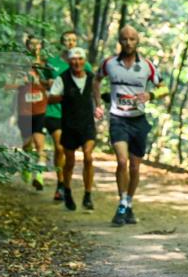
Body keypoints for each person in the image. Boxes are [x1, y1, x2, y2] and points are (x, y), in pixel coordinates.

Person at [94, 26, 162, 226]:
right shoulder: (110, 64)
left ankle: (129, 203)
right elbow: (96, 81)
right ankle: (122, 203)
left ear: (137, 41)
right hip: (118, 119)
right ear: (119, 41)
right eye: (125, 39)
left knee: (134, 166)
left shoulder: (147, 66)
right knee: (122, 162)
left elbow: (163, 86)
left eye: (132, 39)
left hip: (138, 120)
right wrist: (98, 104)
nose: (128, 43)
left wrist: (151, 95)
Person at [45, 30, 92, 202]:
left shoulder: (83, 64)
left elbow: (90, 86)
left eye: (73, 40)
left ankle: (66, 185)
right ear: (62, 42)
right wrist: (47, 84)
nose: (70, 43)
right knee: (59, 148)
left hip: (75, 115)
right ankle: (60, 184)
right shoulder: (52, 63)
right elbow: (41, 85)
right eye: (67, 40)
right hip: (55, 111)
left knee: (71, 153)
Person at [14, 36, 50, 190]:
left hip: (40, 110)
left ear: (41, 46)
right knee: (27, 144)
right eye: (31, 44)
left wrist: (41, 82)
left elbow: (52, 85)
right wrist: (22, 81)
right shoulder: (20, 66)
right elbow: (7, 85)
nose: (34, 46)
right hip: (24, 111)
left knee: (39, 144)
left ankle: (39, 176)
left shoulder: (45, 66)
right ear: (27, 46)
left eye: (37, 43)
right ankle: (26, 166)